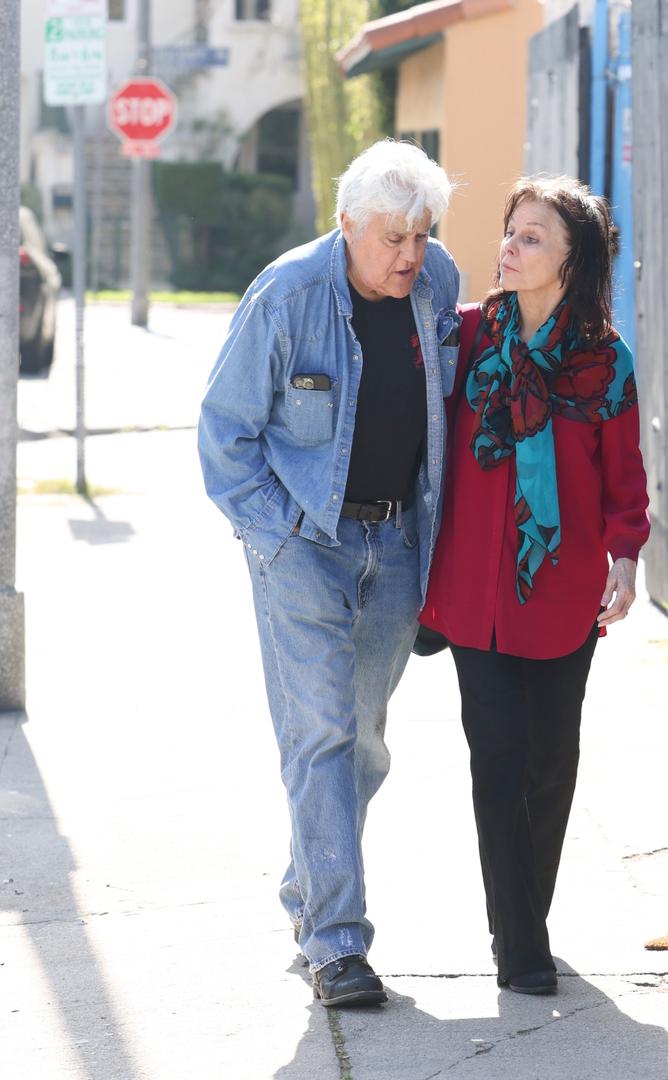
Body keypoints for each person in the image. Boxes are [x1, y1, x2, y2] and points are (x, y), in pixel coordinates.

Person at [198, 140, 459, 1008]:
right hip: (303, 544)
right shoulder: (287, 294)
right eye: (392, 238)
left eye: (421, 235)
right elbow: (224, 434)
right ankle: (337, 943)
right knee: (320, 736)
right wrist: (276, 539)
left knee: (364, 742)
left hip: (398, 543)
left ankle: (307, 888)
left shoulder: (437, 281)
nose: (409, 256)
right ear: (346, 223)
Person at [420, 176, 649, 995]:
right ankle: (519, 945)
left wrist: (626, 555)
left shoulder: (604, 362)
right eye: (509, 231)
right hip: (471, 589)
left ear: (570, 259)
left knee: (551, 761)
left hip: (560, 588)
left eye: (531, 237)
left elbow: (623, 475)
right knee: (498, 757)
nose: (508, 248)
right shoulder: (465, 339)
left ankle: (524, 918)